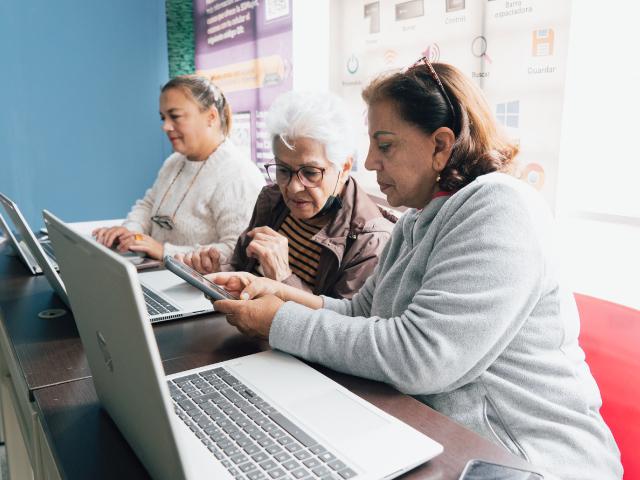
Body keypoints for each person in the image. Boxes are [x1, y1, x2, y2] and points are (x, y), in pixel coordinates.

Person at [208, 61, 623, 480]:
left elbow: (422, 356)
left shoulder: (500, 206)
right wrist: (277, 293)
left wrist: (279, 322)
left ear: (440, 145)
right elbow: (359, 315)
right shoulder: (415, 220)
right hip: (441, 442)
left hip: (526, 462)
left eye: (384, 145)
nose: (370, 162)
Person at [176, 91, 395, 299]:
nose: (292, 187)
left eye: (310, 173)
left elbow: (342, 330)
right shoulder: (272, 200)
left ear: (345, 167)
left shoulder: (370, 240)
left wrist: (282, 277)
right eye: (282, 170)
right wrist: (218, 271)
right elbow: (241, 267)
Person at [92, 75, 265, 260]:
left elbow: (237, 252)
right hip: (158, 273)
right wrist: (129, 232)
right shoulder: (174, 162)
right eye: (163, 118)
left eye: (175, 116)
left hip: (198, 286)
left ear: (211, 116)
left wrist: (165, 252)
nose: (165, 126)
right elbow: (148, 205)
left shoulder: (239, 175)